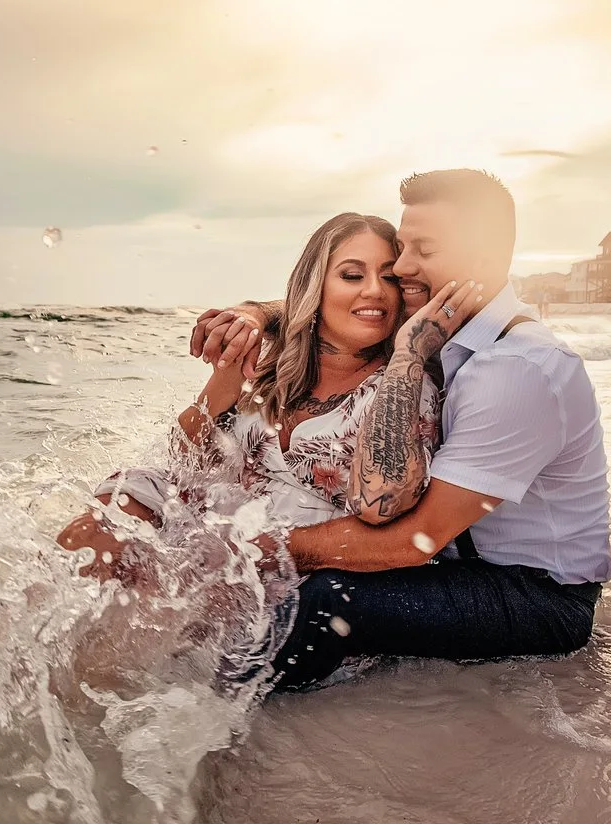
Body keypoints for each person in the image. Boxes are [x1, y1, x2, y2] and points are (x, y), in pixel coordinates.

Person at [190, 168, 611, 691]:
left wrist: (262, 547)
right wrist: (257, 314)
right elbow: (328, 306)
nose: (402, 268)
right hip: (458, 565)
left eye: (424, 251)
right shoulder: (461, 329)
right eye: (403, 249)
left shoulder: (517, 368)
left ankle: (226, 712)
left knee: (328, 599)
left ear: (482, 256)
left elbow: (413, 541)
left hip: (534, 597)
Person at [55, 212, 489, 579]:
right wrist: (224, 379)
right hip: (219, 527)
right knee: (103, 522)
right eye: (352, 275)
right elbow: (184, 459)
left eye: (389, 278)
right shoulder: (275, 361)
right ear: (314, 288)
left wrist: (409, 355)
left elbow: (383, 505)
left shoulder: (404, 383)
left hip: (294, 566)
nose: (374, 290)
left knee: (165, 587)